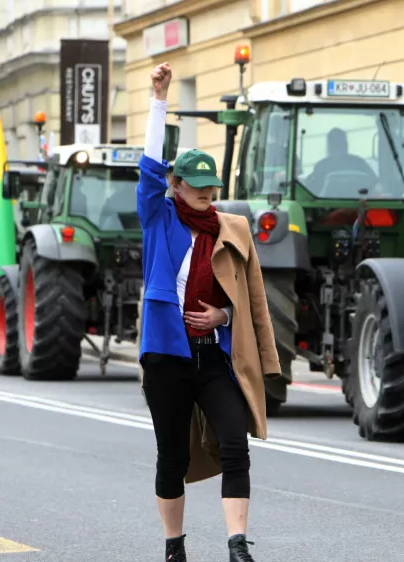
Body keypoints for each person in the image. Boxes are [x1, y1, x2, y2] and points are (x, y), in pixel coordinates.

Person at [136, 61, 282, 562]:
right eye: (195, 183)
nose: (205, 192)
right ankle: (174, 546)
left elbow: (249, 299)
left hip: (213, 356)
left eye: (211, 186)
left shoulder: (230, 227)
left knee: (234, 444)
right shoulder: (157, 218)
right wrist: (160, 98)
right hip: (166, 358)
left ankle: (237, 545)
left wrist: (223, 320)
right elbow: (148, 166)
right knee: (172, 457)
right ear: (175, 184)